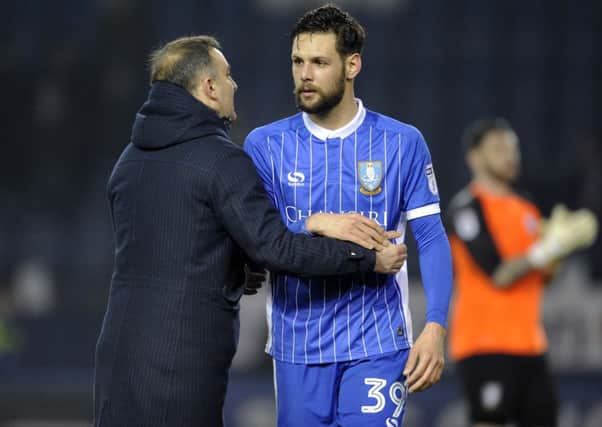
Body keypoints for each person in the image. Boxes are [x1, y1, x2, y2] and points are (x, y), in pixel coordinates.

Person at [92, 35, 408, 427]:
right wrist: (365, 258)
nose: (233, 84)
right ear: (208, 88)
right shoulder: (220, 160)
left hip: (117, 356)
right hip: (181, 364)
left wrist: (234, 269)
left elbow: (174, 244)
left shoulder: (128, 161)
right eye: (226, 75)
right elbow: (276, 250)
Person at [243, 5, 453, 426]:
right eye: (298, 62)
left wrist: (436, 326)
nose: (305, 74)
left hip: (376, 341)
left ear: (352, 64)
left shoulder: (401, 143)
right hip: (298, 345)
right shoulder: (265, 145)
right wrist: (315, 222)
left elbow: (430, 238)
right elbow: (257, 238)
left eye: (319, 62)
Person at [446, 117, 598, 427]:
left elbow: (545, 278)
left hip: (530, 345)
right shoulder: (467, 208)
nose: (510, 155)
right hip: (484, 344)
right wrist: (546, 248)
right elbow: (499, 275)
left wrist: (560, 248)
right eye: (499, 148)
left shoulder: (526, 209)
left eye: (513, 148)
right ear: (475, 158)